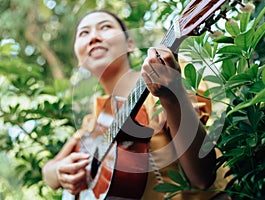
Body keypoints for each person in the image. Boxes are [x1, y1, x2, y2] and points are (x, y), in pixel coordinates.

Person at [42, 9, 230, 200]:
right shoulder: (94, 122)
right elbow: (48, 171)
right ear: (78, 58)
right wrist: (58, 171)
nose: (94, 38)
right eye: (84, 33)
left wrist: (173, 95)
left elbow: (202, 177)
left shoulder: (169, 72)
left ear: (129, 44)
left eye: (105, 27)